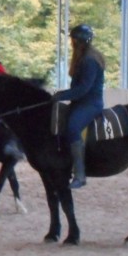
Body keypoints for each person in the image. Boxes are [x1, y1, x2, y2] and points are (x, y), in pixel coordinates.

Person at [52, 24, 105, 189]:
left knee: (73, 128)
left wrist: (61, 95)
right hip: (81, 102)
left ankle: (80, 175)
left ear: (80, 41)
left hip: (90, 103)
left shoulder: (89, 60)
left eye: (74, 39)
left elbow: (83, 89)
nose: (72, 42)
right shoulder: (84, 57)